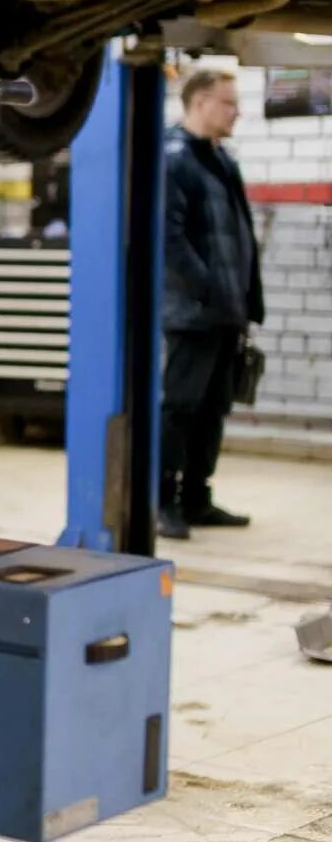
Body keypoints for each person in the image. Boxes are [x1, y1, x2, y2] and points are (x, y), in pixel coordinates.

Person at [159, 68, 263, 540]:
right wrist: (207, 291)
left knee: (212, 409)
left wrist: (248, 299)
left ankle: (197, 498)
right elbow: (170, 239)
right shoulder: (175, 157)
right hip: (193, 313)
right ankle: (163, 502)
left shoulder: (223, 159)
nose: (236, 111)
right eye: (228, 102)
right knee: (180, 408)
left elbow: (241, 235)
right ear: (199, 102)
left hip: (225, 312)